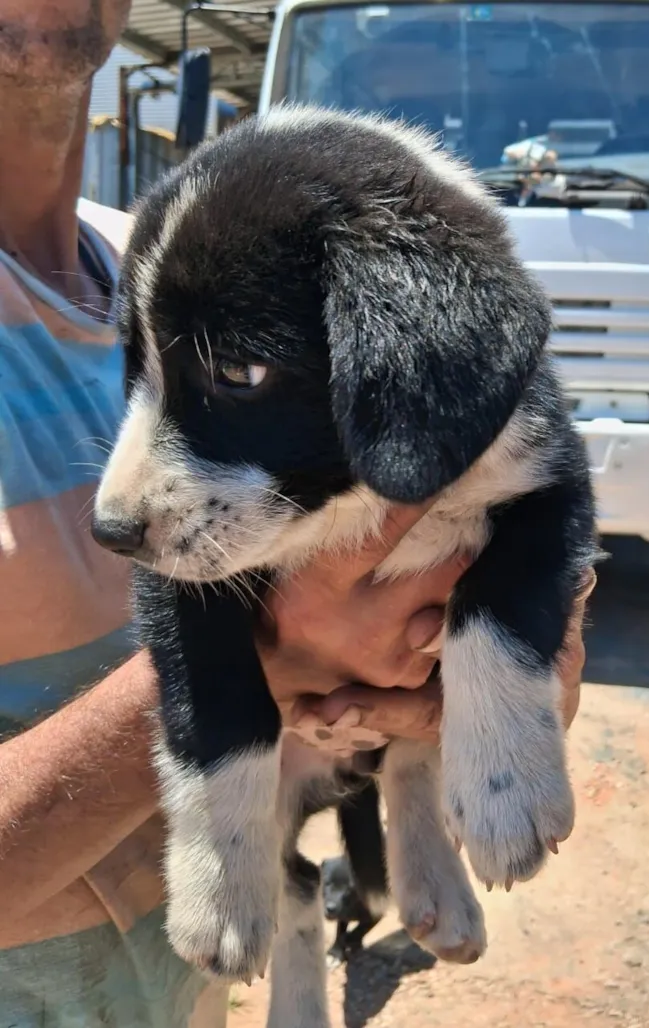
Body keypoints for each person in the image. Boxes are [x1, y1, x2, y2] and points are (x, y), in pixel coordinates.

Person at [0, 2, 594, 1024]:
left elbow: (534, 521)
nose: (122, 494)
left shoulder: (152, 247)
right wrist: (277, 658)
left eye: (229, 368)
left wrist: (501, 680)